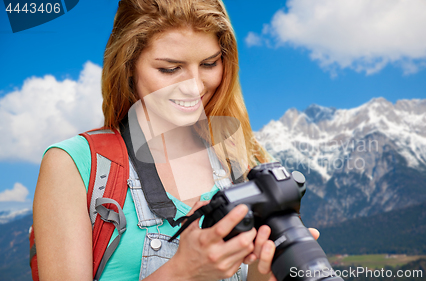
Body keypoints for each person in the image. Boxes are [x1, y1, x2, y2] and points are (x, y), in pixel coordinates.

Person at [33, 0, 319, 280]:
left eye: (209, 64)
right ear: (128, 64)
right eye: (170, 69)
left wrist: (264, 271)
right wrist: (184, 271)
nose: (194, 87)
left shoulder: (244, 162)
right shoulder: (74, 165)